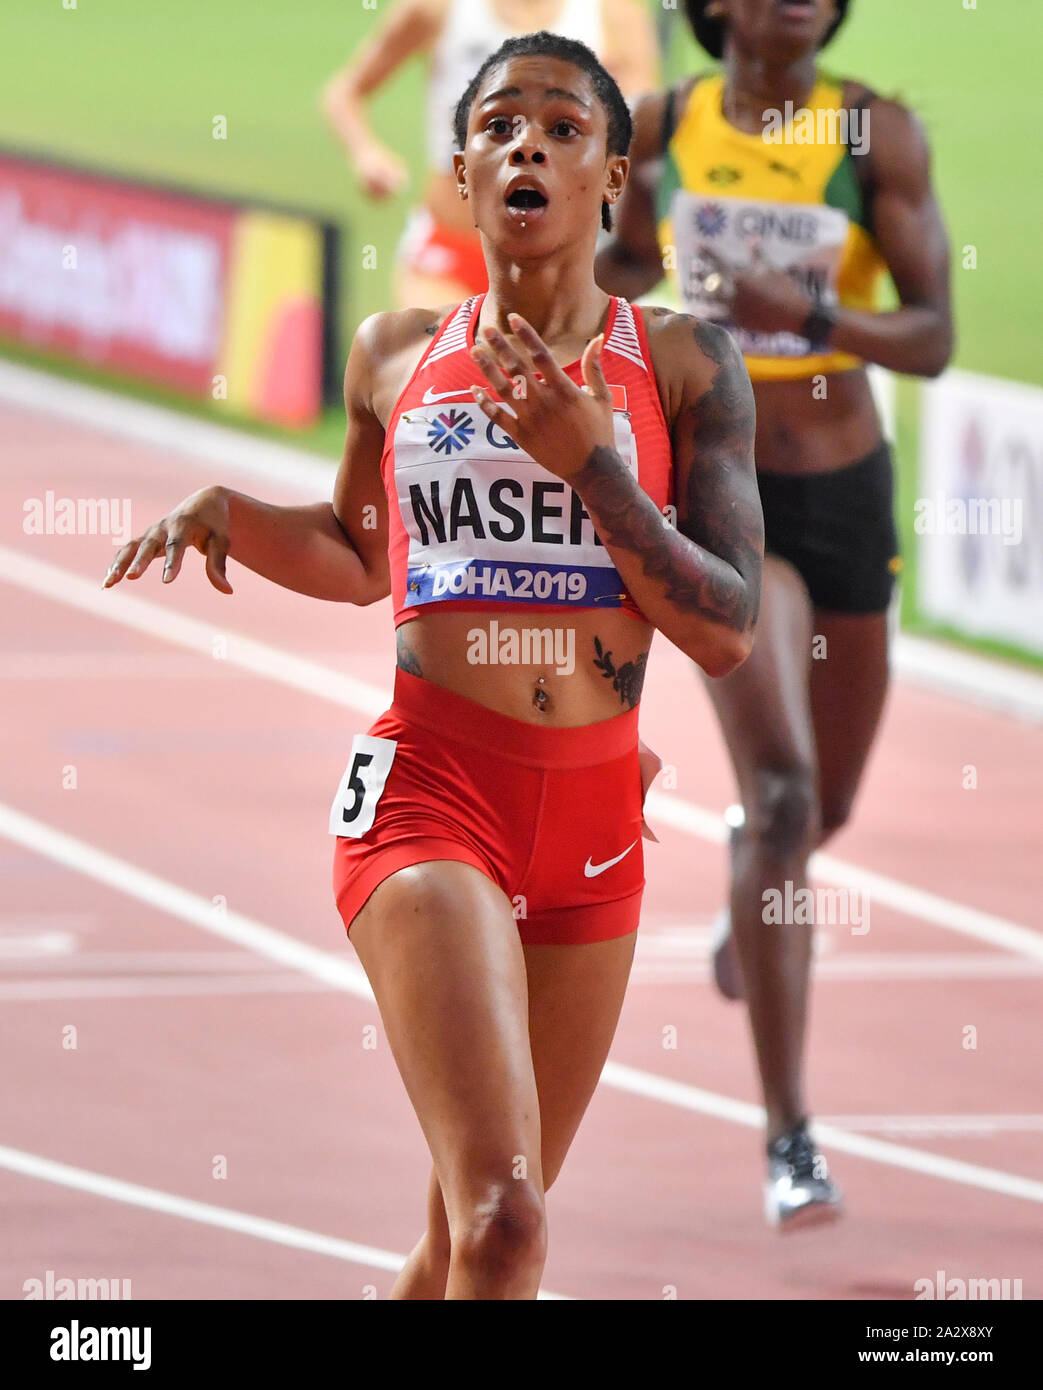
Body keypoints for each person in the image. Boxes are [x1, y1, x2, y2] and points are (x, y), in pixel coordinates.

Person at [104, 31, 762, 1299]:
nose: (528, 143)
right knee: (507, 1225)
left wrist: (593, 468)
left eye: (564, 128)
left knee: (460, 1239)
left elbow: (725, 627)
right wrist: (232, 509)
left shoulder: (681, 365)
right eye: (498, 125)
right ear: (460, 172)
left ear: (612, 177)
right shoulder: (394, 355)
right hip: (431, 795)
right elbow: (359, 555)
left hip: (590, 821)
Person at [596, 0, 953, 1229]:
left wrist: (802, 312)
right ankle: (788, 1134)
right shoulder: (664, 125)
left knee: (824, 806)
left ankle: (753, 905)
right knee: (786, 791)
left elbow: (931, 337)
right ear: (716, 10)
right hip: (721, 485)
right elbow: (618, 267)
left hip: (844, 483)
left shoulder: (872, 133)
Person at [319, 0, 659, 308]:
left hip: (564, 267)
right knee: (450, 370)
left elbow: (637, 125)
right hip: (451, 254)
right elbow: (345, 92)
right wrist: (366, 154)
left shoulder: (613, 13)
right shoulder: (438, 8)